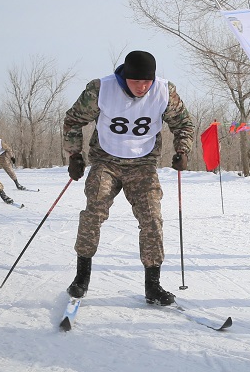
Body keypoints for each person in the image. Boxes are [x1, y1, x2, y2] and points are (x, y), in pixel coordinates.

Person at [62, 50, 194, 305]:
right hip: (106, 161)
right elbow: (73, 120)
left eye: (147, 81)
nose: (142, 87)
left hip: (143, 164)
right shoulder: (100, 89)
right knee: (94, 212)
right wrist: (75, 155)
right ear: (124, 78)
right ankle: (81, 277)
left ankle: (153, 285)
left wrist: (182, 150)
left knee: (152, 218)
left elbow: (183, 124)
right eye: (136, 81)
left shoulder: (165, 91)